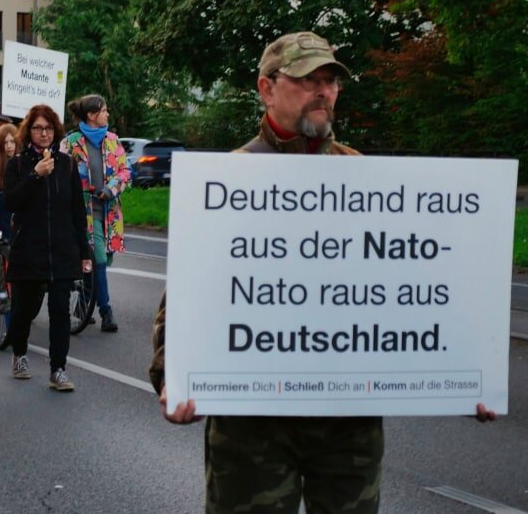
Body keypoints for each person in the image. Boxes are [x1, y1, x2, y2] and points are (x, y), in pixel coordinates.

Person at [150, 31, 497, 513]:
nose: (323, 90)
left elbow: (412, 287)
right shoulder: (228, 178)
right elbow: (190, 293)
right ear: (267, 88)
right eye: (307, 79)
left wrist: (468, 376)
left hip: (347, 425)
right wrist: (174, 377)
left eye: (330, 80)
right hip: (253, 423)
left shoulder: (368, 179)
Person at [3, 104, 91, 392]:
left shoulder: (66, 165)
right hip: (29, 248)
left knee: (59, 311)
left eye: (49, 128)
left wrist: (84, 251)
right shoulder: (16, 164)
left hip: (62, 250)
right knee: (23, 310)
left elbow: (78, 210)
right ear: (29, 131)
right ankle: (19, 353)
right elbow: (11, 202)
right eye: (39, 128)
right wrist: (35, 175)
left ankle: (58, 369)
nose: (44, 133)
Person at [62, 94, 131, 333]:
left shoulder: (113, 140)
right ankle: (106, 311)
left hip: (109, 212)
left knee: (101, 260)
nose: (108, 114)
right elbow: (61, 172)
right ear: (92, 115)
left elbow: (125, 171)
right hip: (83, 213)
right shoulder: (71, 142)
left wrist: (111, 188)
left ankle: (83, 303)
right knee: (98, 259)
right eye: (104, 111)